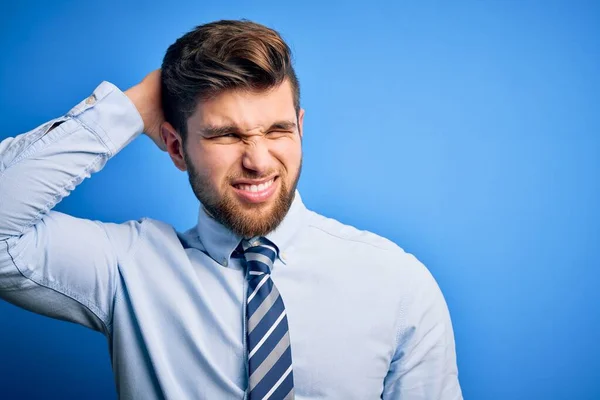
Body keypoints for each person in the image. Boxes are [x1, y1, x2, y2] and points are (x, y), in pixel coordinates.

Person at [0, 19, 462, 400]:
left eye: (277, 131)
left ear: (300, 128)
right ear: (176, 147)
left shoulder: (397, 283)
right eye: (226, 135)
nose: (258, 160)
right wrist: (127, 110)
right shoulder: (128, 268)